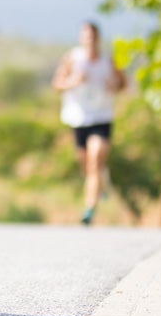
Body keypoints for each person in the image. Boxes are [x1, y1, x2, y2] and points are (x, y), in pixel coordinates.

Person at [52, 21, 126, 225]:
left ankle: (89, 209)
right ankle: (100, 184)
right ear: (81, 39)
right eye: (85, 37)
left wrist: (114, 85)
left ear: (97, 38)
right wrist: (73, 81)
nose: (89, 41)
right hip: (78, 117)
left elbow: (123, 83)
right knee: (86, 165)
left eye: (92, 37)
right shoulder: (72, 59)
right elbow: (57, 84)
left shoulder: (107, 61)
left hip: (101, 117)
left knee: (95, 158)